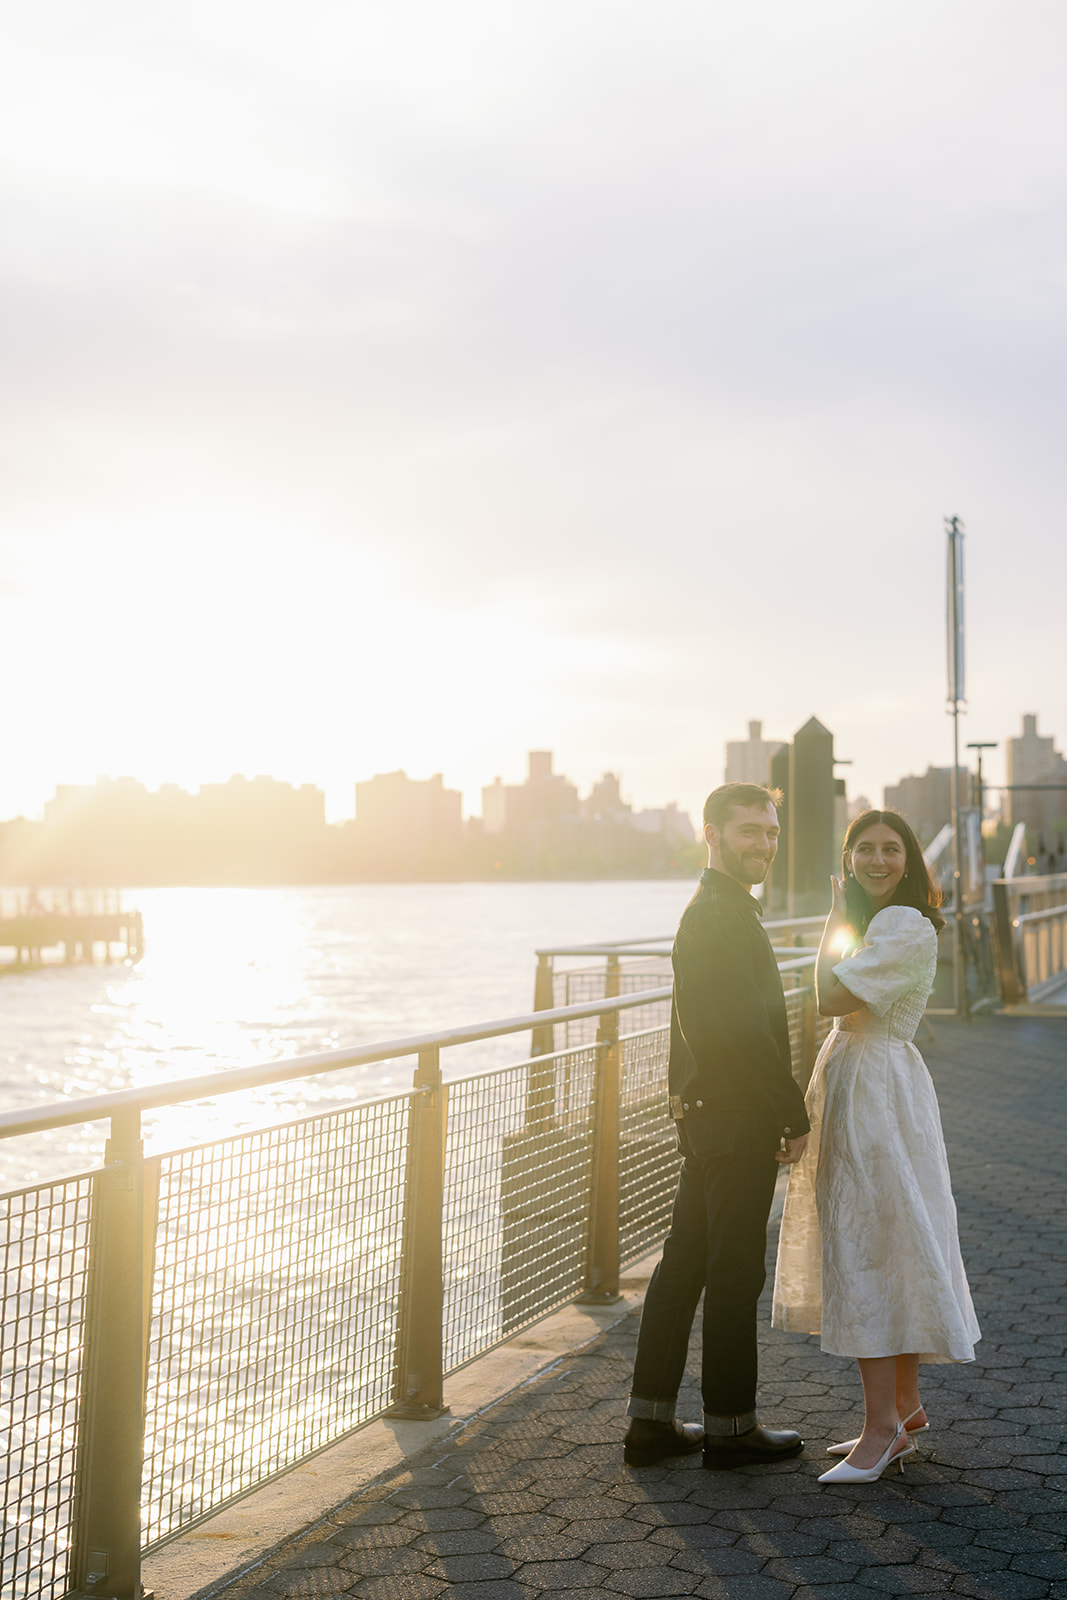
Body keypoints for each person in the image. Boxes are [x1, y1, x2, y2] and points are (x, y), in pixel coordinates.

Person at [771, 809, 981, 1484]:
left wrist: (832, 922)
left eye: (890, 849)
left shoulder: (901, 924)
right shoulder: (882, 927)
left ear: (909, 861)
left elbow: (828, 998)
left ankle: (881, 1430)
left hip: (875, 1092)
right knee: (894, 1237)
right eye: (864, 848)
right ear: (848, 856)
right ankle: (904, 1406)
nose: (877, 858)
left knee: (868, 1242)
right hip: (870, 1085)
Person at [623, 782, 811, 1470]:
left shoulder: (718, 910)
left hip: (708, 1115)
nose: (762, 843)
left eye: (769, 832)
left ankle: (649, 1425)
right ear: (711, 834)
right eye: (748, 831)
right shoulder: (719, 916)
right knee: (732, 1276)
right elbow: (742, 1032)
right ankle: (730, 1429)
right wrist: (791, 1112)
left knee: (683, 1270)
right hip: (734, 1119)